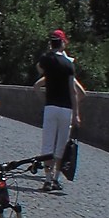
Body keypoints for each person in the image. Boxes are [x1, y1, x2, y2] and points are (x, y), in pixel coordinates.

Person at [34, 29, 84, 192]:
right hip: (66, 109)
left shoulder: (46, 60)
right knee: (61, 145)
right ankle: (56, 178)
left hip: (51, 106)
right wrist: (76, 114)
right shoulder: (69, 64)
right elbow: (73, 92)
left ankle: (47, 180)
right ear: (63, 43)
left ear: (51, 43)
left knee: (47, 144)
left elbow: (40, 70)